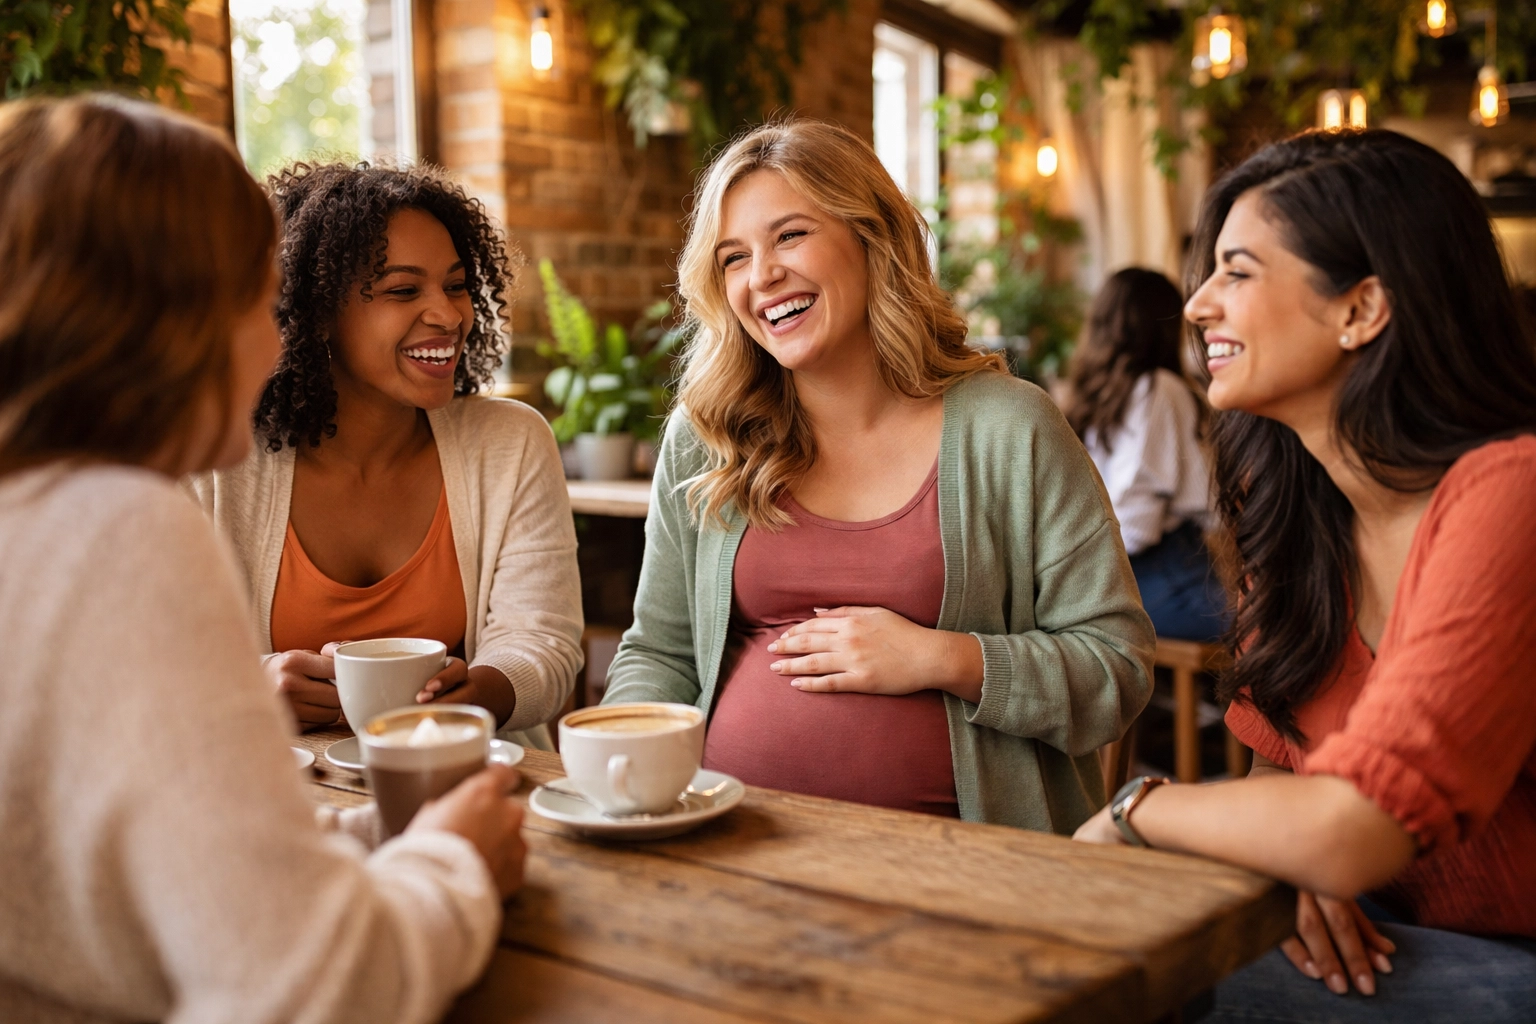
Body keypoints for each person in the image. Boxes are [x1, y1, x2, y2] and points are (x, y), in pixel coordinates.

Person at [0, 95, 525, 1023]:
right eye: (258, 294)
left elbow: (117, 871)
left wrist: (370, 831)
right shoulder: (121, 528)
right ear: (172, 317)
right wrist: (452, 864)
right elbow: (310, 992)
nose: (278, 336)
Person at [1074, 129, 1536, 1022]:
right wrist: (1289, 857)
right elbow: (1279, 774)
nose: (1198, 304)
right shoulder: (1298, 514)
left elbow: (1353, 826)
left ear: (1361, 309)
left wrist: (1140, 808)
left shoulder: (1509, 492)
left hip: (1514, 952)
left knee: (1137, 974)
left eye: (1237, 273)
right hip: (1387, 929)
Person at [600, 120, 1154, 832]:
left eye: (790, 236)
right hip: (728, 850)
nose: (761, 275)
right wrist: (620, 768)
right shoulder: (709, 438)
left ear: (873, 238)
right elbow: (660, 651)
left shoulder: (1010, 429)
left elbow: (1119, 671)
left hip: (965, 875)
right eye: (733, 257)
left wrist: (941, 658)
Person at [190, 162, 582, 748]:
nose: (449, 315)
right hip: (283, 800)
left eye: (455, 285)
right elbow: (145, 669)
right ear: (315, 311)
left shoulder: (511, 443)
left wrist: (480, 691)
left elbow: (544, 641)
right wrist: (248, 687)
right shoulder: (217, 464)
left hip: (468, 784)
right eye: (403, 290)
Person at [1065, 267, 1228, 642]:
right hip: (1157, 571)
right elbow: (1138, 514)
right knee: (1273, 637)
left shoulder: (1096, 394)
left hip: (1110, 567)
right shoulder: (1160, 389)